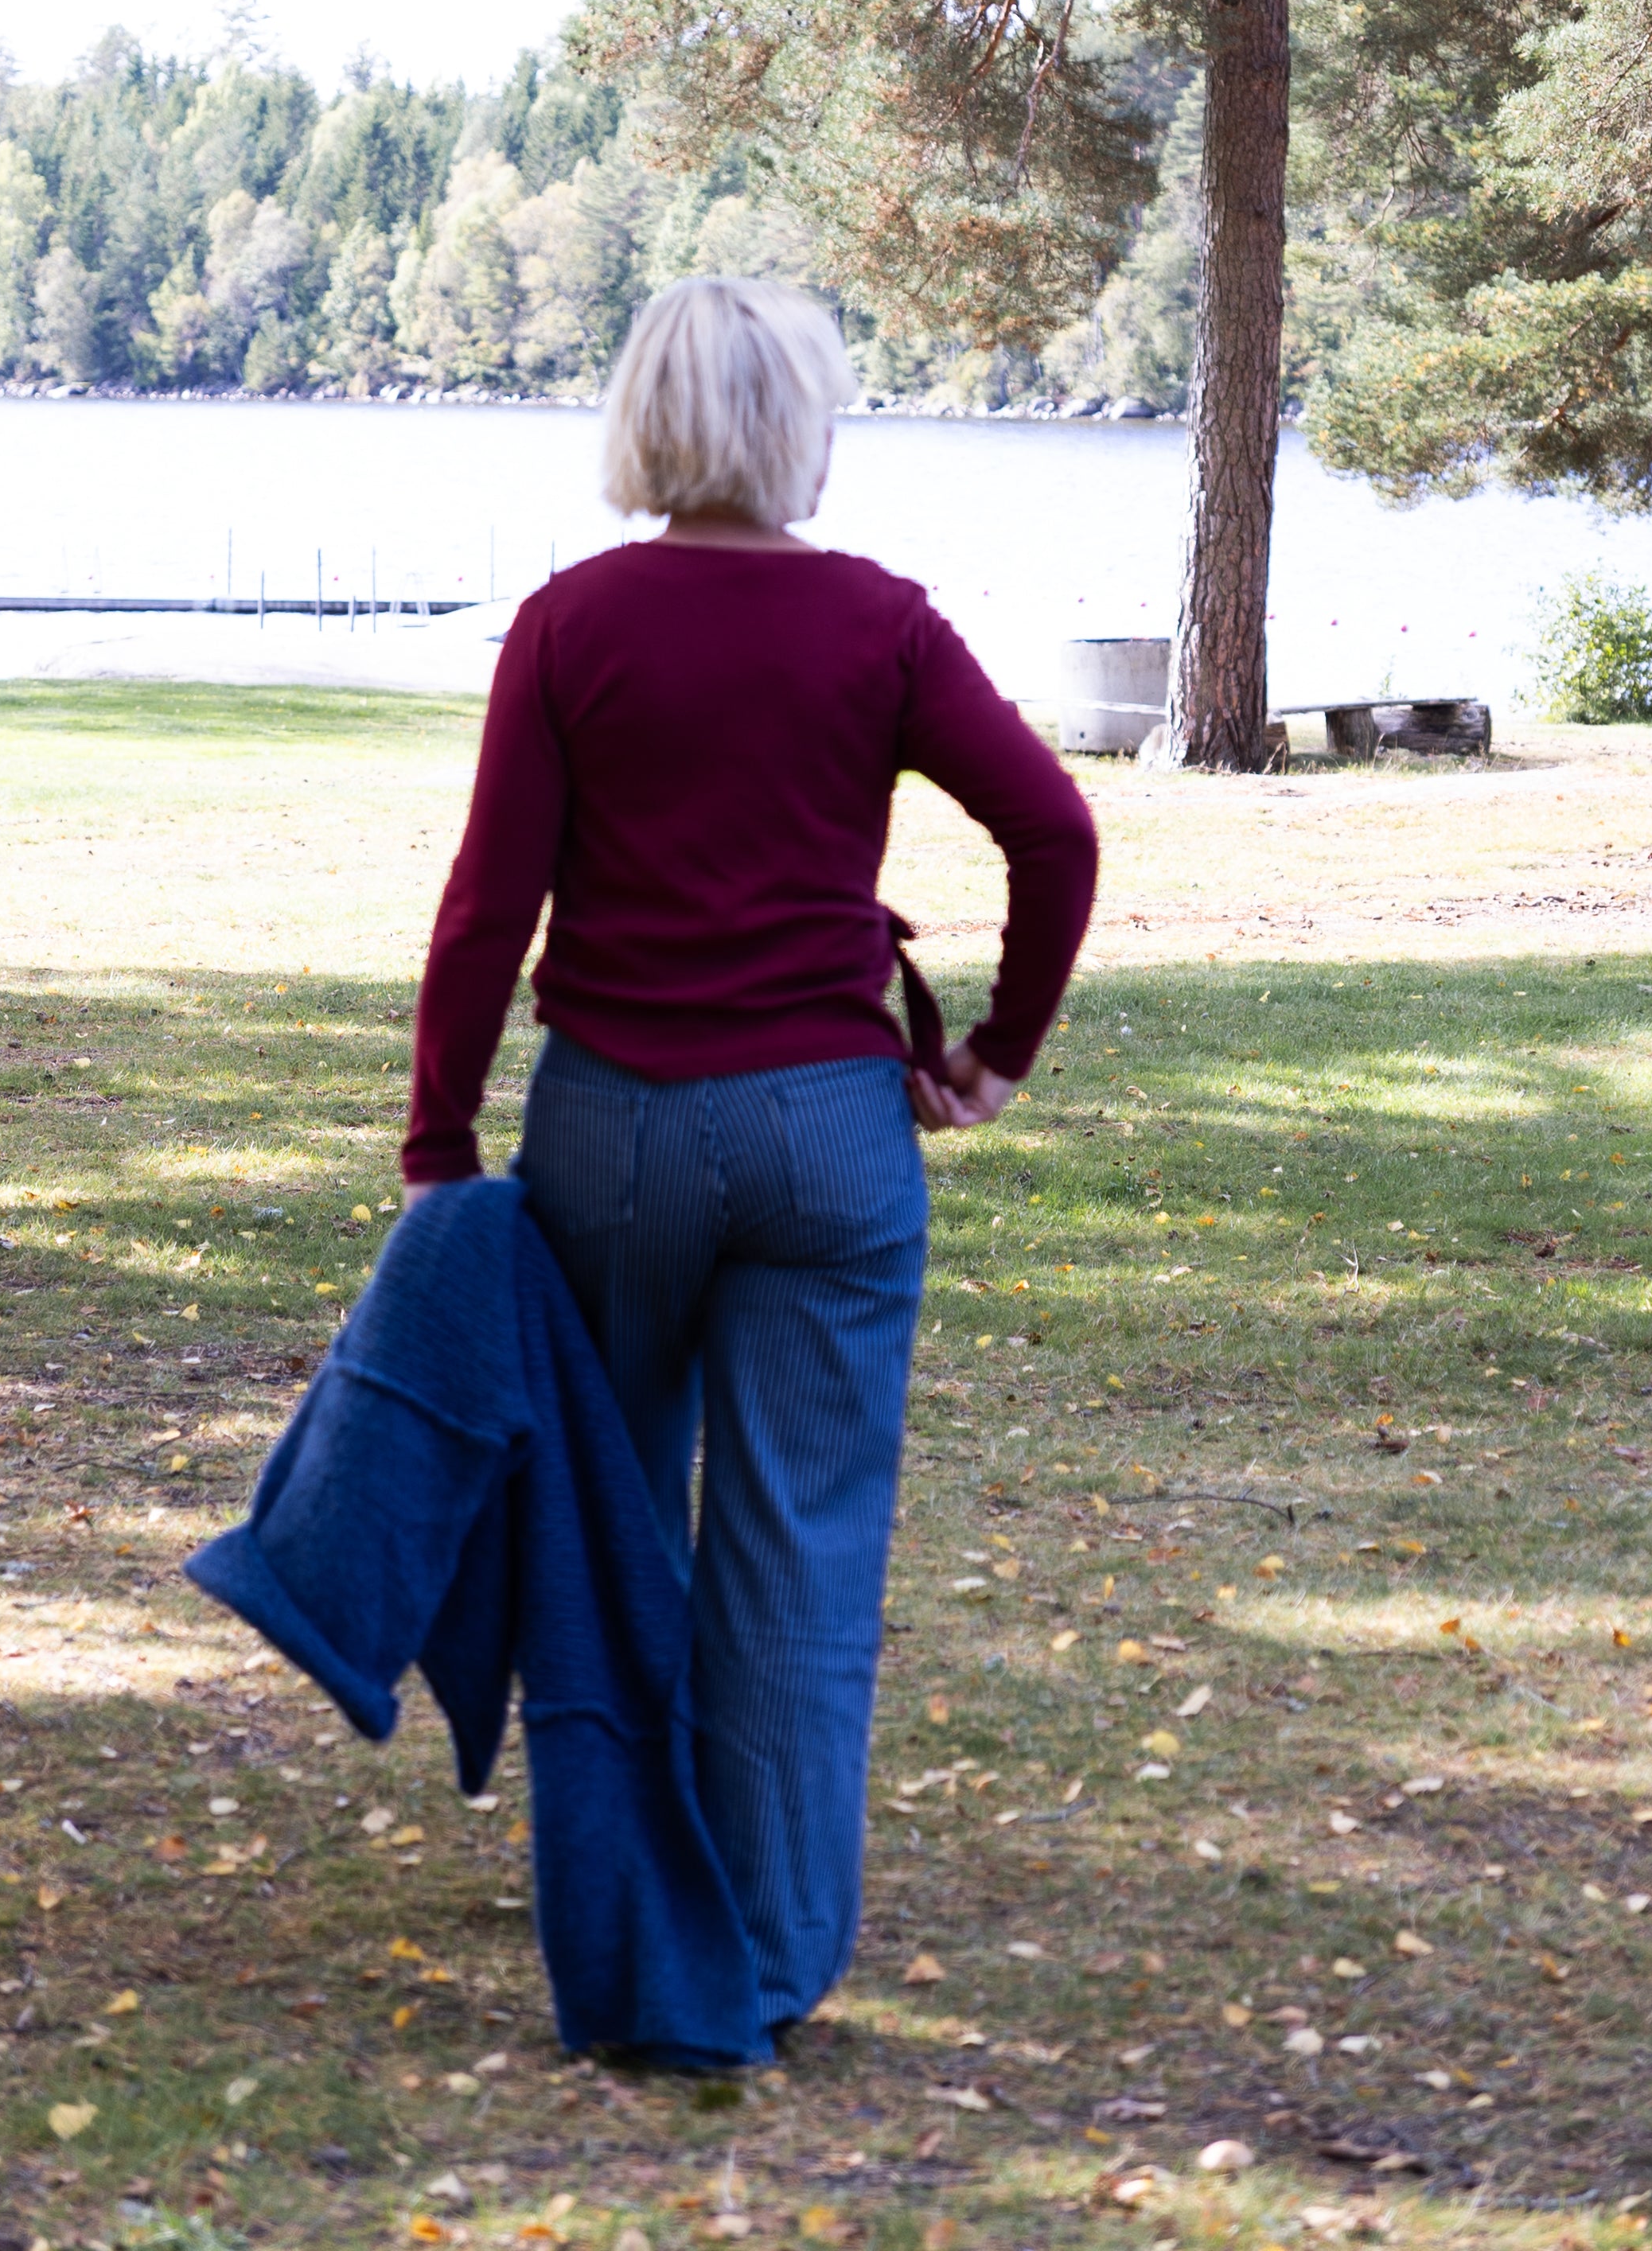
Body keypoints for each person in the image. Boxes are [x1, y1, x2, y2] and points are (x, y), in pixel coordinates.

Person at [400, 275, 1097, 2036]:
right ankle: (772, 1965)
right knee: (802, 1548)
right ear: (803, 422)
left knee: (612, 1532)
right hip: (829, 1139)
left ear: (645, 418)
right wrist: (995, 1056)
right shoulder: (881, 625)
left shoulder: (571, 623)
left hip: (613, 1129)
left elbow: (491, 909)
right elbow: (1055, 828)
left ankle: (635, 1929)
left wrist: (439, 1138)